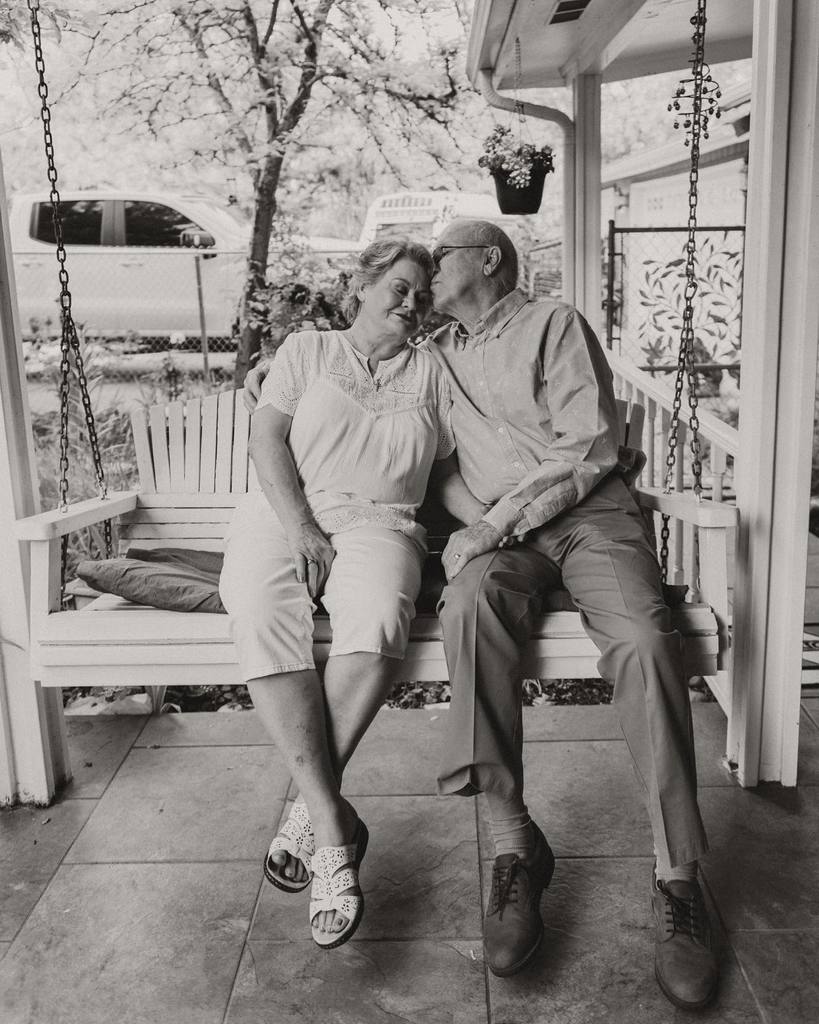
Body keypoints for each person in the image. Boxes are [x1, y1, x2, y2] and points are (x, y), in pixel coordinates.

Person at [244, 220, 719, 1010]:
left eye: (440, 257)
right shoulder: (434, 352)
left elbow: (587, 448)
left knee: (642, 640)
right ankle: (513, 848)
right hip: (500, 534)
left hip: (588, 520)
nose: (427, 273)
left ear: (487, 260)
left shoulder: (553, 324)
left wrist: (492, 526)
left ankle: (678, 878)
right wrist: (273, 373)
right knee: (466, 606)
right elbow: (384, 403)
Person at [221, 236, 460, 951]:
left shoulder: (436, 371)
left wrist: (499, 520)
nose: (412, 303)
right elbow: (267, 441)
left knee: (382, 610)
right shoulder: (306, 351)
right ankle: (333, 827)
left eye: (423, 294)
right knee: (258, 609)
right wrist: (301, 527)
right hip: (285, 512)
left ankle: (311, 810)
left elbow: (449, 476)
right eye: (399, 287)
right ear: (361, 286)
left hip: (381, 522)